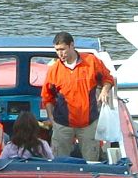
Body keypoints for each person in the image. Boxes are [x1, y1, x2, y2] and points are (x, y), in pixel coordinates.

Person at [40, 32, 114, 161]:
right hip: (62, 124)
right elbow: (47, 97)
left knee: (92, 161)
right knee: (59, 162)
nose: (60, 53)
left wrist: (104, 91)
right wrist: (52, 119)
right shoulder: (54, 70)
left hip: (88, 123)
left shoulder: (91, 61)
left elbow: (108, 79)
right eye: (57, 50)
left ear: (72, 45)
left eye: (63, 49)